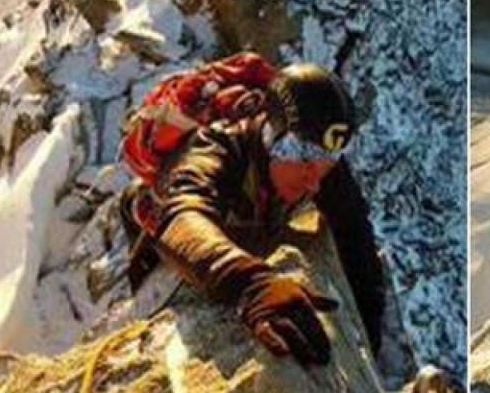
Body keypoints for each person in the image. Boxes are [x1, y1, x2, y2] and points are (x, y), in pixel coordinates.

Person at [120, 62, 384, 366]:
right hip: (175, 254)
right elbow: (182, 217)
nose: (314, 182)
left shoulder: (316, 159)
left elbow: (356, 240)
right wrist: (251, 284)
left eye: (325, 164)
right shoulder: (214, 148)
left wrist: (369, 345)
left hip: (241, 228)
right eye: (304, 161)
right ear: (275, 141)